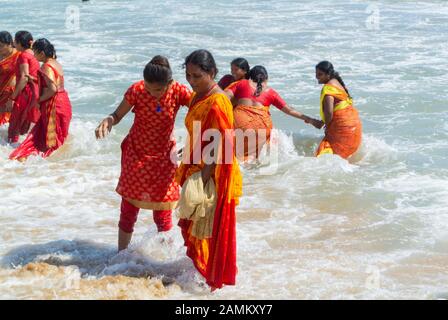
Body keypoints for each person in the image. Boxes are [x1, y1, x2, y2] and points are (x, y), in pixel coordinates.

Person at [95, 55, 191, 251]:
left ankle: (167, 258)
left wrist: (192, 143)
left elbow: (201, 109)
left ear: (168, 83)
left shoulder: (178, 91)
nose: (150, 92)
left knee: (163, 211)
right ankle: (120, 255)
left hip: (165, 158)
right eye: (148, 87)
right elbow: (117, 115)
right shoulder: (137, 90)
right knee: (129, 210)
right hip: (136, 154)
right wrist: (108, 121)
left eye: (156, 89)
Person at [176, 49, 243, 290]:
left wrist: (201, 180)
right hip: (196, 165)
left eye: (197, 76)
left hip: (213, 173)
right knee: (196, 226)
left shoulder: (218, 101)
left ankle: (210, 285)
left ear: (212, 73)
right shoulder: (198, 96)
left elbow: (223, 144)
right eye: (188, 76)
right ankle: (200, 280)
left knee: (208, 229)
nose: (192, 81)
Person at [225, 65, 318, 159]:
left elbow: (222, 97)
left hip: (241, 123)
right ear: (266, 79)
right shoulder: (271, 92)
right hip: (263, 127)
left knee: (233, 155)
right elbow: (289, 110)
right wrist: (311, 120)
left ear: (250, 77)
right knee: (252, 158)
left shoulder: (241, 83)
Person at [9, 39, 72, 161]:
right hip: (63, 101)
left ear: (42, 53)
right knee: (54, 137)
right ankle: (56, 163)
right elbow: (55, 83)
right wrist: (34, 78)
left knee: (43, 137)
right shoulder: (55, 63)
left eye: (35, 52)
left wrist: (38, 100)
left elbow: (52, 89)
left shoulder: (46, 66)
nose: (34, 55)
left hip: (54, 104)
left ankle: (27, 159)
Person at [313, 61, 362, 159]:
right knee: (342, 158)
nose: (317, 77)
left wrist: (325, 125)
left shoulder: (328, 89)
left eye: (320, 74)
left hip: (344, 128)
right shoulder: (337, 83)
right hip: (354, 126)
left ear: (328, 74)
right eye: (316, 74)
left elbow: (329, 113)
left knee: (324, 155)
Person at [8, 31, 40, 143]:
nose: (13, 43)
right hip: (36, 92)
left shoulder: (24, 56)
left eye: (15, 41)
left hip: (25, 93)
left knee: (14, 129)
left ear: (20, 43)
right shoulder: (34, 54)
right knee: (25, 126)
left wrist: (12, 97)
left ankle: (9, 155)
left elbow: (24, 77)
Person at [0, 31, 20, 126]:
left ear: (9, 44)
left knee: (7, 123)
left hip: (11, 94)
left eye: (0, 45)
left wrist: (12, 98)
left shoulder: (19, 56)